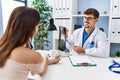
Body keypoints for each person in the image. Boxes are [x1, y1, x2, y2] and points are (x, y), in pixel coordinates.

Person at [0, 6, 60, 80]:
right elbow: (41, 71)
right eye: (38, 25)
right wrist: (46, 59)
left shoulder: (2, 45)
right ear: (33, 29)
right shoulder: (31, 55)